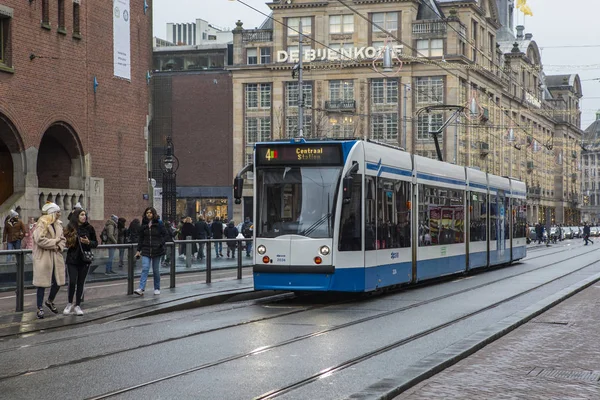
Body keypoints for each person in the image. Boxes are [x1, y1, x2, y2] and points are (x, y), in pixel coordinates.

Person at [32, 203, 66, 319]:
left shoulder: (59, 224)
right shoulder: (41, 223)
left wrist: (59, 246)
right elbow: (39, 240)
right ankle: (39, 307)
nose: (59, 214)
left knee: (57, 282)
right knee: (41, 284)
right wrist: (54, 243)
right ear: (52, 213)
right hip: (44, 258)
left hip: (56, 257)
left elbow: (62, 239)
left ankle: (50, 301)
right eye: (57, 212)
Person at [63, 208, 97, 315]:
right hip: (72, 259)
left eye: (85, 215)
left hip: (84, 259)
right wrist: (73, 237)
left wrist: (88, 242)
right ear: (77, 216)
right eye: (82, 215)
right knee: (72, 281)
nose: (84, 217)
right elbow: (66, 243)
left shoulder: (89, 228)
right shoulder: (70, 227)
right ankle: (69, 303)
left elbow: (95, 243)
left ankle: (77, 305)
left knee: (81, 282)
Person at [134, 207, 167, 296]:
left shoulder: (159, 223)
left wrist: (160, 244)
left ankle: (157, 288)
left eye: (150, 212)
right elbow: (141, 238)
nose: (148, 214)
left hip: (157, 250)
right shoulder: (144, 224)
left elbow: (165, 235)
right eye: (147, 212)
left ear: (154, 214)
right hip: (146, 249)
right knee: (145, 268)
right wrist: (138, 250)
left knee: (155, 270)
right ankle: (141, 288)